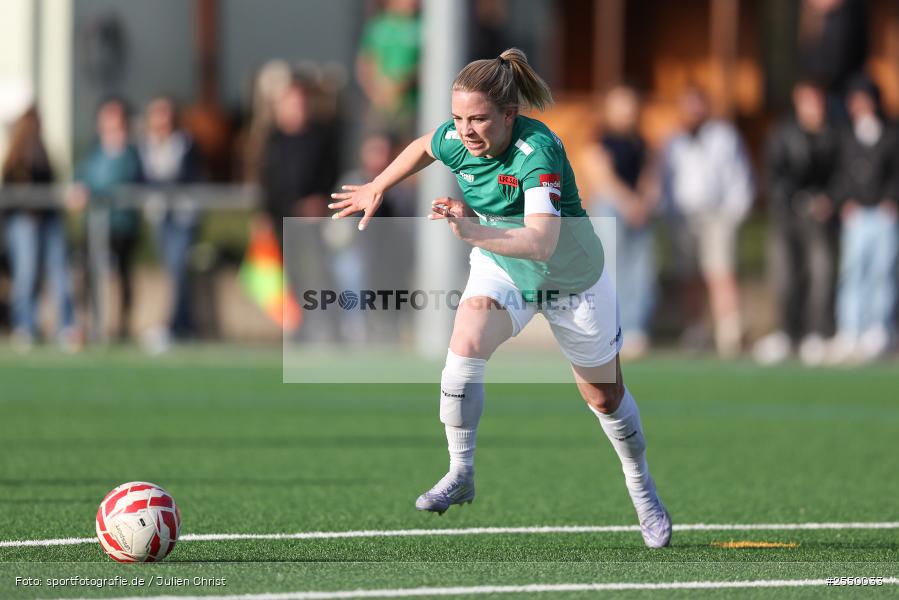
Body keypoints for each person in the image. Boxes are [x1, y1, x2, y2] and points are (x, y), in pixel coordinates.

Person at [329, 48, 671, 548]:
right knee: (464, 339)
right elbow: (426, 145)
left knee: (604, 396)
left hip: (570, 278)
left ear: (510, 115)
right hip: (501, 266)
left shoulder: (539, 151)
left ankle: (642, 490)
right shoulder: (455, 137)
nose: (465, 131)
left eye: (479, 119)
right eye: (458, 118)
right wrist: (377, 186)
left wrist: (469, 230)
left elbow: (541, 243)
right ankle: (460, 470)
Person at [660, 86, 754, 357]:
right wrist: (668, 212)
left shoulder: (724, 137)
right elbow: (666, 182)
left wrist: (735, 213)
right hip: (683, 217)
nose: (693, 111)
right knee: (689, 276)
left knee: (721, 273)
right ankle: (695, 329)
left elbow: (740, 177)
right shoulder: (673, 141)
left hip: (718, 215)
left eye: (697, 105)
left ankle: (729, 332)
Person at [754, 82, 840, 366]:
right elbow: (775, 175)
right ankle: (787, 332)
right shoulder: (783, 134)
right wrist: (796, 201)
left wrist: (828, 200)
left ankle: (818, 332)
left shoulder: (834, 134)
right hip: (788, 216)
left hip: (822, 218)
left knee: (821, 273)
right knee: (785, 275)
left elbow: (841, 174)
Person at [828, 76, 898, 363]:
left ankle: (878, 328)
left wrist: (891, 200)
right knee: (853, 271)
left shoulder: (891, 134)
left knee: (883, 271)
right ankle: (850, 328)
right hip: (857, 214)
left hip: (883, 214)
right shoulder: (846, 135)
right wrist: (845, 202)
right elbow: (841, 174)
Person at [584, 86, 657, 359]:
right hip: (611, 209)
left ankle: (635, 327)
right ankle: (609, 330)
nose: (627, 111)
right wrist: (627, 202)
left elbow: (650, 172)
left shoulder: (641, 141)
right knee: (612, 270)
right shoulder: (599, 139)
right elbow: (600, 177)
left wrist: (643, 200)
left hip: (637, 209)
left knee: (640, 270)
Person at [1, 106, 77, 352]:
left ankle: (67, 325)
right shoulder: (15, 156)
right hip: (23, 224)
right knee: (26, 275)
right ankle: (25, 325)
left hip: (49, 221)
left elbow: (50, 185)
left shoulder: (42, 153)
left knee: (60, 275)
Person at [71, 97, 143, 341]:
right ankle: (84, 322)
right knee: (84, 272)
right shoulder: (93, 154)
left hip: (122, 226)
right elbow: (80, 179)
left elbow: (127, 182)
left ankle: (122, 326)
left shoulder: (131, 154)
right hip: (93, 226)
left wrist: (96, 194)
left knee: (123, 275)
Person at [138, 96, 203, 348]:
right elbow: (143, 179)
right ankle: (183, 324)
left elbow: (191, 177)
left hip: (183, 216)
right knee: (171, 271)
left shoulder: (185, 143)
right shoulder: (145, 145)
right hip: (159, 216)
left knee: (177, 268)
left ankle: (173, 324)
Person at [356, 0, 421, 138]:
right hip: (381, 106)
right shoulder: (379, 25)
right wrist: (375, 92)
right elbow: (366, 62)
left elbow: (432, 64)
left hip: (411, 106)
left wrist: (405, 82)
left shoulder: (423, 25)